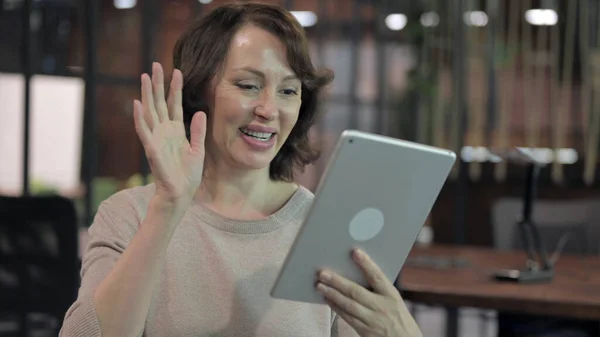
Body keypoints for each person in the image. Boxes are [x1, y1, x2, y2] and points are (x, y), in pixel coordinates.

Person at [59, 2, 422, 337]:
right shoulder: (130, 216)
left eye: (288, 91)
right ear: (199, 92)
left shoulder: (322, 227)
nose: (268, 109)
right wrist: (168, 206)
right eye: (249, 85)